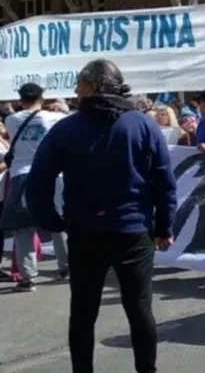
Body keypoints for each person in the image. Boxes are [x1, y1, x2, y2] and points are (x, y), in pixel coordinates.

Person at [25, 58, 177, 373]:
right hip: (133, 231)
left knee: (83, 312)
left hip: (85, 231)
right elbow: (164, 182)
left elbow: (37, 182)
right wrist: (164, 226)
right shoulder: (144, 125)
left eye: (79, 84)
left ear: (93, 86)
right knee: (139, 310)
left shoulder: (66, 128)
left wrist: (52, 222)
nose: (75, 90)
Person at [1, 83, 71, 291]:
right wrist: (63, 108)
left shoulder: (12, 120)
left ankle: (28, 278)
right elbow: (71, 117)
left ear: (20, 99)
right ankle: (66, 269)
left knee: (24, 228)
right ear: (42, 97)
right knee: (59, 224)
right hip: (51, 174)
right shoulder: (54, 117)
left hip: (22, 175)